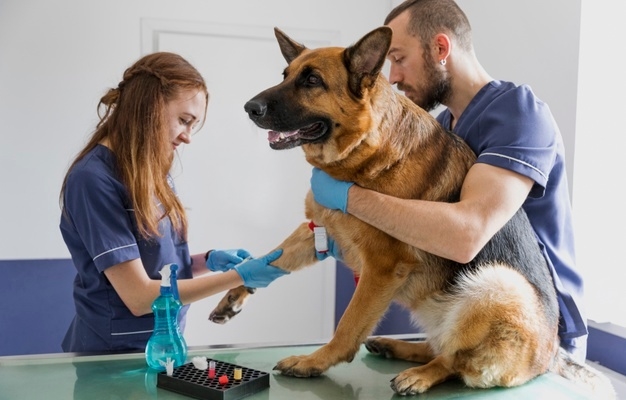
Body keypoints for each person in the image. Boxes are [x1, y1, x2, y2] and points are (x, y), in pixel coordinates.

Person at [310, 0, 587, 362]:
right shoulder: (441, 129)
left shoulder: (517, 113)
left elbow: (465, 237)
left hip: (528, 337)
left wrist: (349, 197)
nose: (391, 77)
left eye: (399, 58)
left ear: (440, 48)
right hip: (469, 326)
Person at [59, 52, 288, 353]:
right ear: (148, 107)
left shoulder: (149, 172)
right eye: (184, 121)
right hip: (113, 354)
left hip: (161, 343)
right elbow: (139, 296)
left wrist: (208, 260)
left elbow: (157, 266)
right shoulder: (93, 180)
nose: (188, 137)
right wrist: (238, 277)